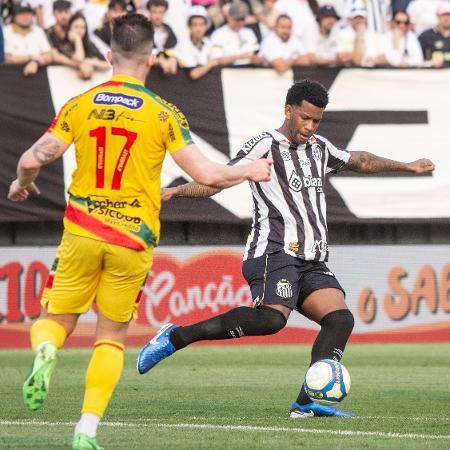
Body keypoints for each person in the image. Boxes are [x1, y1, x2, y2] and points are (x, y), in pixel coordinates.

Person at [8, 13, 271, 450]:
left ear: (109, 55)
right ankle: (85, 430)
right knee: (110, 337)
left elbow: (34, 158)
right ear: (150, 60)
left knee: (56, 320)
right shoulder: (163, 114)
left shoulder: (81, 103)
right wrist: (249, 169)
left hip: (82, 233)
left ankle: (46, 351)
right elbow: (209, 173)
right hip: (132, 240)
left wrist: (24, 183)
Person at [137, 79, 435, 418]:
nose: (310, 127)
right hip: (273, 250)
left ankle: (306, 402)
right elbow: (217, 181)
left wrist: (408, 166)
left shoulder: (320, 147)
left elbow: (361, 160)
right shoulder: (264, 145)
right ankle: (177, 336)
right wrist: (176, 192)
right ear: (288, 111)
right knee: (270, 320)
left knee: (339, 319)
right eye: (305, 119)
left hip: (312, 257)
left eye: (316, 121)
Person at [3, 1, 52, 76]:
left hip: (38, 75)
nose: (25, 17)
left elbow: (49, 55)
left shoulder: (38, 31)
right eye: (21, 14)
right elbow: (7, 58)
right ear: (14, 16)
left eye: (28, 13)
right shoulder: (5, 31)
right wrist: (31, 58)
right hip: (10, 75)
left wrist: (35, 62)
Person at [210, 1, 261, 66]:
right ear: (229, 17)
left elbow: (257, 55)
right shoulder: (219, 34)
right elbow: (216, 60)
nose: (240, 23)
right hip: (227, 72)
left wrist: (256, 59)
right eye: (237, 19)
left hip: (249, 71)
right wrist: (240, 57)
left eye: (242, 19)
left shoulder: (249, 32)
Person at [418, 1, 450, 67]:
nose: (446, 18)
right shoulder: (426, 36)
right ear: (437, 16)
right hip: (432, 74)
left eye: (449, 15)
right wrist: (430, 63)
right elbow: (417, 59)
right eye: (444, 15)